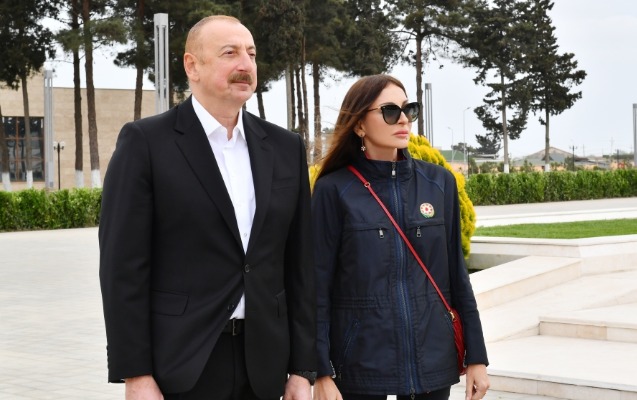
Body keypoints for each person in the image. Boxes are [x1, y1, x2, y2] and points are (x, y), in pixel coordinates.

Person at [99, 15, 316, 400]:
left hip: (265, 366)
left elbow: (300, 264)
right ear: (192, 66)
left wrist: (303, 368)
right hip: (182, 364)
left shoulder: (285, 147)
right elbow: (122, 269)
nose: (245, 64)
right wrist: (135, 373)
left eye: (251, 54)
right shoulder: (146, 143)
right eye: (230, 53)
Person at [311, 74, 489, 400]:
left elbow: (456, 275)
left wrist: (476, 356)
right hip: (360, 363)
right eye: (390, 111)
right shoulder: (333, 190)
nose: (404, 119)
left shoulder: (439, 183)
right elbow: (318, 288)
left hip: (432, 357)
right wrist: (322, 371)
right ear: (359, 125)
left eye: (409, 109)